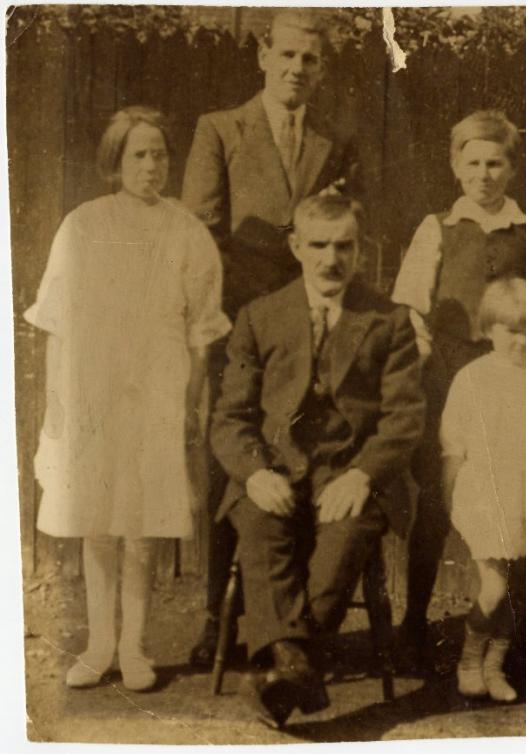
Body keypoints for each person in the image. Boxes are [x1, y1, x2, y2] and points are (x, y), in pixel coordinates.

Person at [26, 106, 230, 691]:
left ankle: (136, 648)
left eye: (160, 154)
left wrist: (191, 404)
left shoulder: (187, 232)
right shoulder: (81, 225)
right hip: (94, 389)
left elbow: (201, 337)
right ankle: (98, 644)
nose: (151, 166)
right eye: (138, 154)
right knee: (97, 522)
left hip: (157, 391)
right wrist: (58, 405)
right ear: (115, 161)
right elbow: (58, 326)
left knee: (140, 525)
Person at [182, 9, 363, 669]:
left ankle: (285, 618)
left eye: (309, 60)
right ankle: (212, 620)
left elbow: (346, 225)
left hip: (311, 326)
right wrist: (243, 317)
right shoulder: (220, 130)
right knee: (226, 457)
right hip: (236, 322)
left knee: (302, 451)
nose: (296, 69)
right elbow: (202, 234)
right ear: (263, 56)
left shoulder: (333, 139)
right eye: (286, 55)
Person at [210, 194, 424, 728]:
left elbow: (404, 420)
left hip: (350, 472)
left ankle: (282, 672)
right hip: (274, 469)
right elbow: (230, 417)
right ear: (296, 247)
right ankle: (297, 666)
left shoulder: (389, 320)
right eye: (319, 246)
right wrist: (256, 473)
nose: (332, 260)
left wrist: (362, 474)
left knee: (343, 537)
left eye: (345, 246)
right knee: (260, 528)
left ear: (361, 248)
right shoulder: (260, 316)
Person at [391, 110, 526, 665]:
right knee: (439, 500)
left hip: (515, 380)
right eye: (473, 162)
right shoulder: (437, 228)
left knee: (521, 499)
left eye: (496, 162)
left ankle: (517, 630)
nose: (484, 174)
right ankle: (412, 623)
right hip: (451, 381)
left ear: (512, 167)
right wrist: (428, 361)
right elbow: (409, 307)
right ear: (455, 165)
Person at [440, 279, 526, 702]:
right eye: (511, 330)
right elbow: (453, 446)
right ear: (490, 329)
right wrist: (451, 498)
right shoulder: (473, 377)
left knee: (519, 586)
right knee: (494, 585)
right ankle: (470, 659)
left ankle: (495, 667)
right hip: (488, 489)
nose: (522, 341)